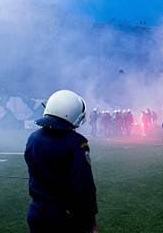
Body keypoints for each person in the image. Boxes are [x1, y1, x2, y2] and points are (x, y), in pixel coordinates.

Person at [25, 90, 98, 233]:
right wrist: (90, 221)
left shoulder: (33, 137)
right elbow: (83, 186)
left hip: (36, 212)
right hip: (63, 218)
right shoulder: (76, 143)